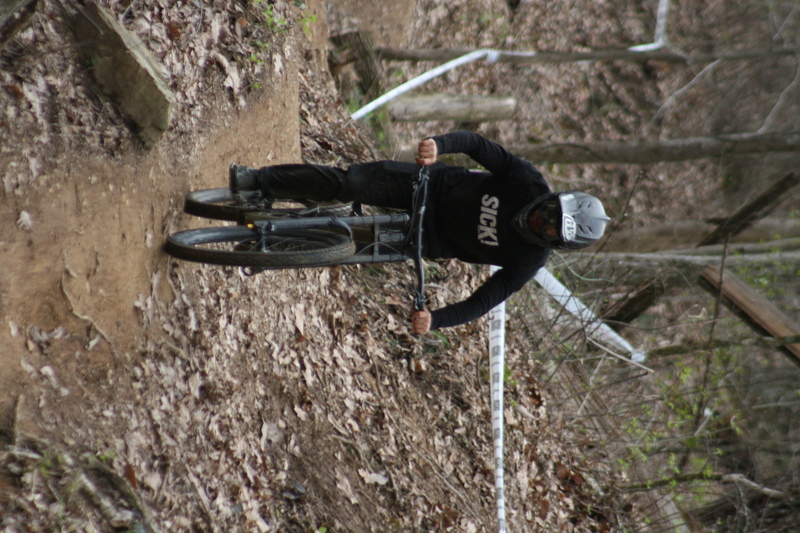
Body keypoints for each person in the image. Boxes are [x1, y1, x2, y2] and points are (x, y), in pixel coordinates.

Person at [230, 131, 609, 334]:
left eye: (549, 228)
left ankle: (270, 249)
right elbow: (479, 146)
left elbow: (485, 300)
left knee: (345, 246)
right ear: (553, 198)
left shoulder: (528, 260)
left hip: (424, 240)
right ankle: (259, 182)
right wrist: (439, 146)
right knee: (350, 184)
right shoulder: (528, 183)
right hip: (426, 185)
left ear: (554, 243)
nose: (541, 220)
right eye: (549, 212)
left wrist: (437, 319)